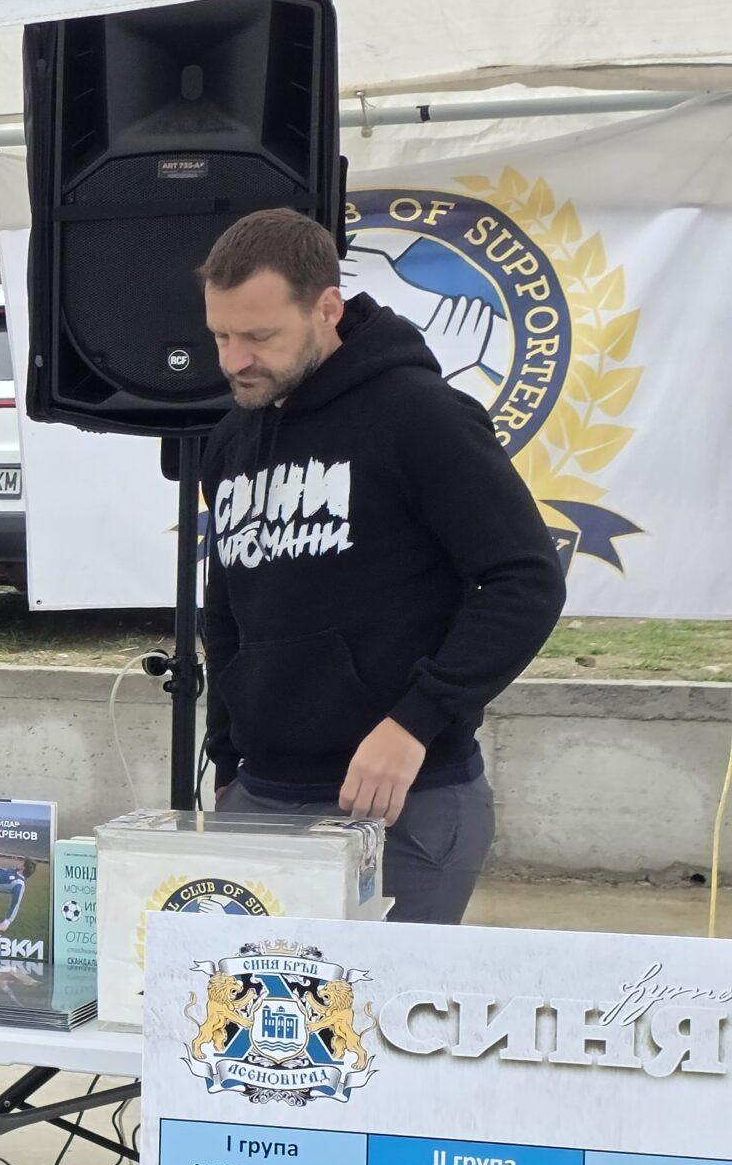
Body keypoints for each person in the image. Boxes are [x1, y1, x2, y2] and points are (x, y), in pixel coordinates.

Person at [196, 209, 565, 923]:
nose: (235, 360)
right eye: (220, 336)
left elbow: (524, 580)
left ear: (326, 308)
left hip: (403, 804)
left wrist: (414, 723)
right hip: (261, 794)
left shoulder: (422, 415)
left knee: (374, 1001)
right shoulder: (231, 437)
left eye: (260, 337)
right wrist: (228, 756)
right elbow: (228, 607)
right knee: (244, 997)